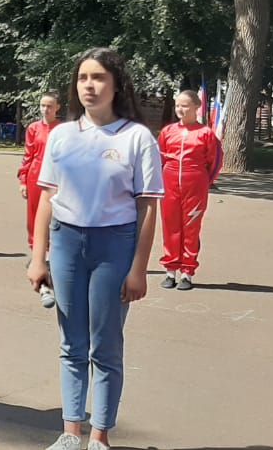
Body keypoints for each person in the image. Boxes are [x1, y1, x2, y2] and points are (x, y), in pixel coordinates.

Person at [26, 47, 162, 450]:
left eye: (98, 77)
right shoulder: (63, 135)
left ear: (116, 84)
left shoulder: (137, 137)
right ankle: (70, 433)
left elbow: (147, 206)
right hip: (67, 243)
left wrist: (138, 269)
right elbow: (46, 200)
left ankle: (99, 436)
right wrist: (39, 258)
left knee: (104, 345)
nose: (89, 85)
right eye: (83, 77)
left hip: (113, 246)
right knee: (72, 343)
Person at [157, 90, 222, 291]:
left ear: (196, 106)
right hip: (169, 181)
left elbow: (215, 161)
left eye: (185, 105)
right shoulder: (167, 131)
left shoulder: (206, 133)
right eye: (178, 105)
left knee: (191, 227)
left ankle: (187, 272)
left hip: (195, 182)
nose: (180, 109)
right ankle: (170, 270)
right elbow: (159, 158)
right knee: (170, 226)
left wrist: (204, 181)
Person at [18, 92, 61, 250]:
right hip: (35, 175)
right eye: (43, 106)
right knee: (34, 214)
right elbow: (28, 155)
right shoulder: (33, 128)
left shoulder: (62, 129)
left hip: (57, 177)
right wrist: (23, 180)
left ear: (57, 107)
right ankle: (36, 249)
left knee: (56, 214)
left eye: (49, 106)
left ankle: (55, 249)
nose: (45, 109)